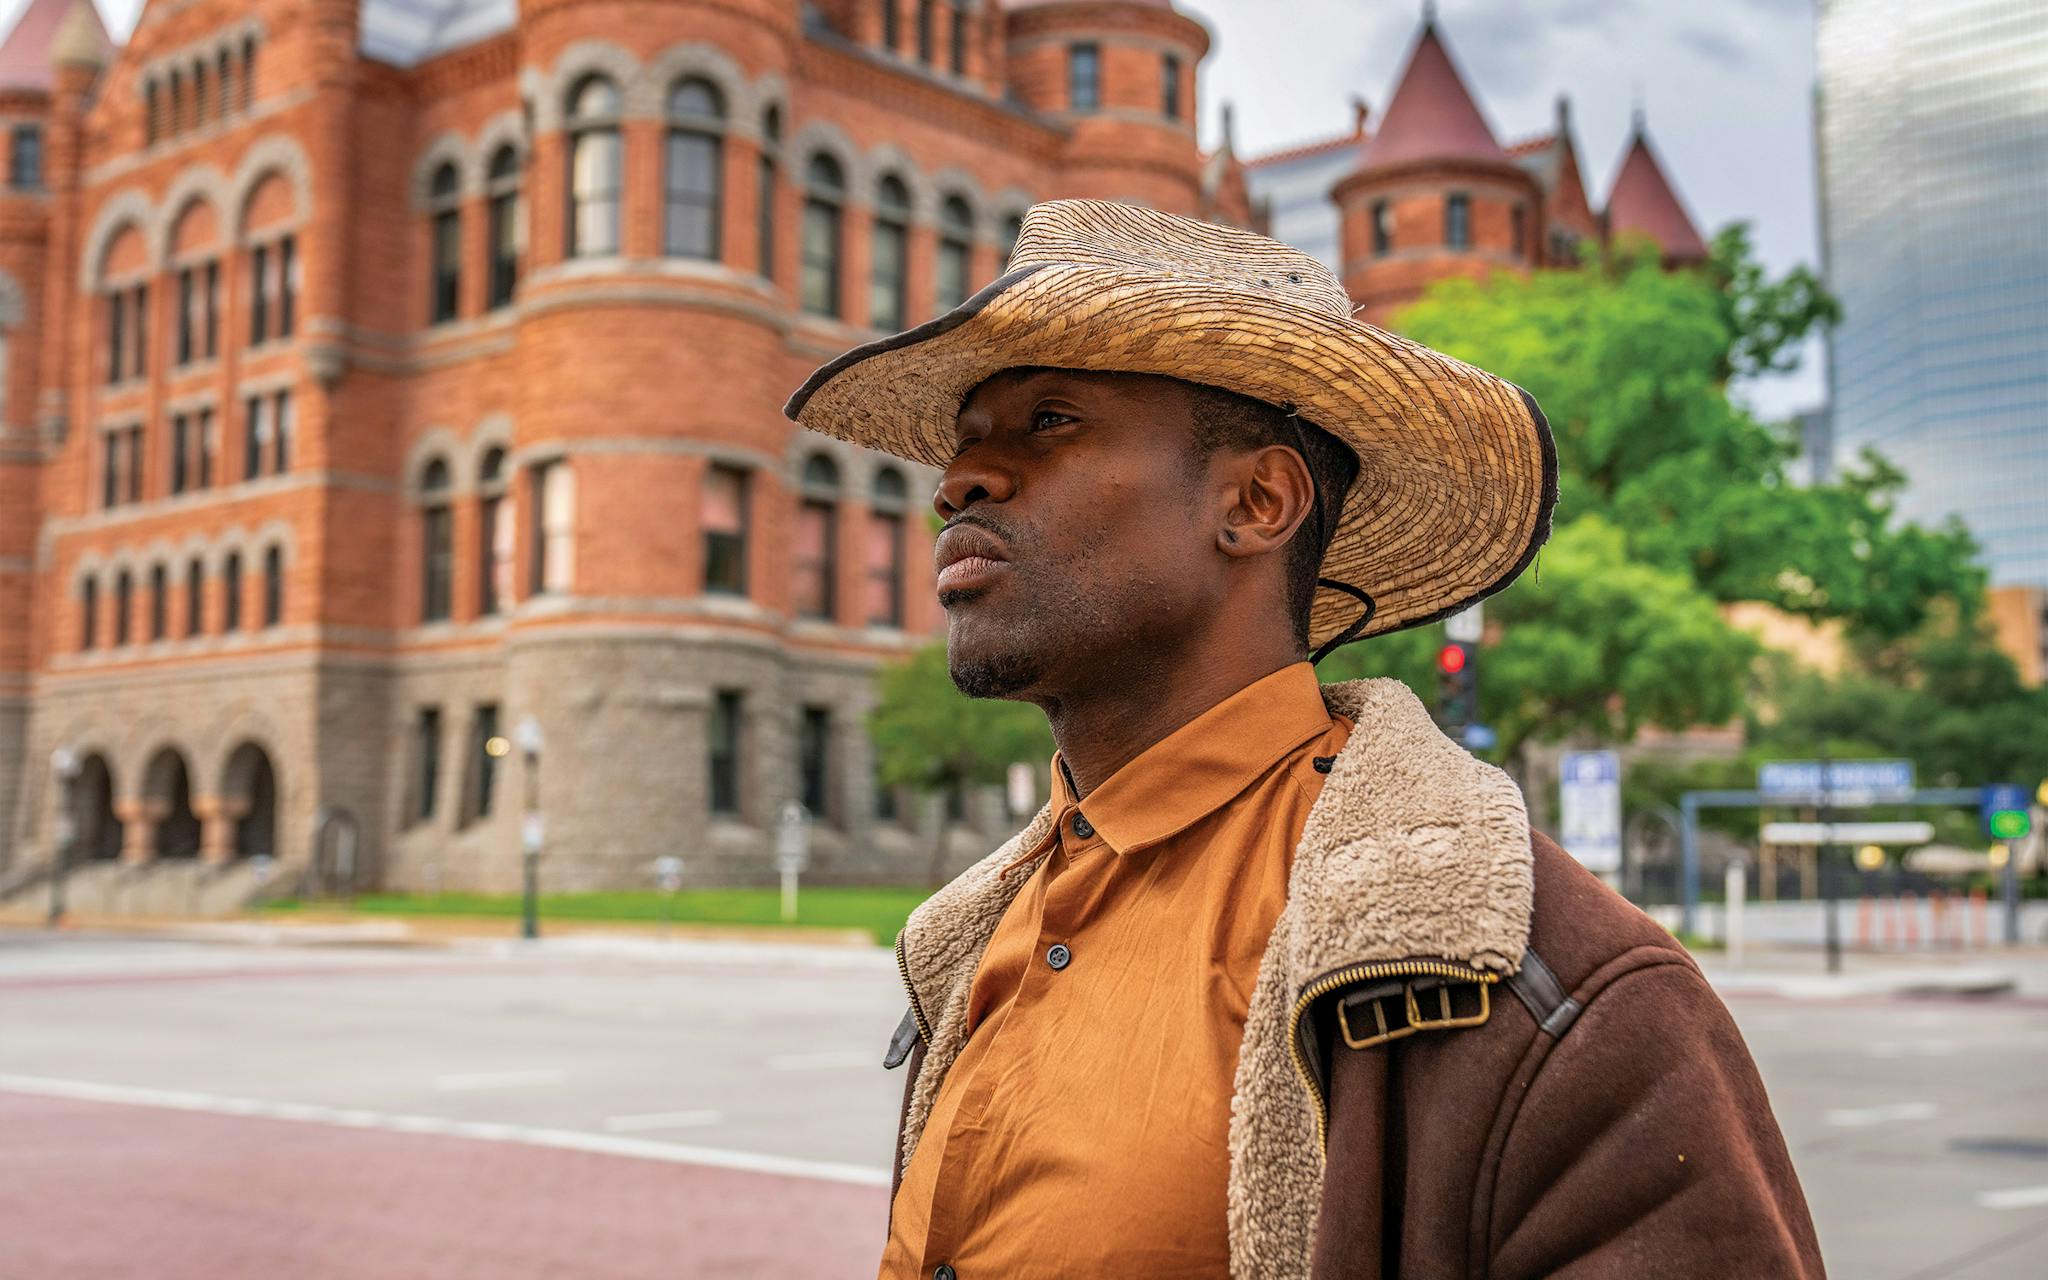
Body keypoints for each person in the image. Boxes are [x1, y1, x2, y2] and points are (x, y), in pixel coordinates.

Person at [785, 200, 1823, 1279]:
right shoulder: (968, 938)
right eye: (962, 441)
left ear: (1256, 500)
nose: (959, 479)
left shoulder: (1545, 985)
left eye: (1048, 420)